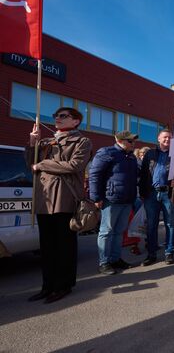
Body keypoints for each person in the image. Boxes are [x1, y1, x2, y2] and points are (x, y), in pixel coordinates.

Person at [26, 107, 92, 303]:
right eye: (56, 116)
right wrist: (32, 142)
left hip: (64, 198)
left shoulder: (82, 141)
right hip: (44, 199)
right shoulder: (46, 141)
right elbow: (31, 164)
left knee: (64, 245)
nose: (58, 119)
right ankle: (47, 286)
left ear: (76, 121)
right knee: (46, 247)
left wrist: (43, 165)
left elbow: (74, 166)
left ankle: (63, 285)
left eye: (63, 116)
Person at [88, 130, 139, 275]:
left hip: (127, 200)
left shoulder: (131, 157)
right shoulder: (107, 152)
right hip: (111, 199)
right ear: (120, 140)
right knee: (106, 231)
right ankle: (104, 263)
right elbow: (94, 175)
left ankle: (115, 259)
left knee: (119, 231)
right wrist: (96, 198)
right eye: (130, 141)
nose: (133, 144)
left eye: (133, 141)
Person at [138, 129, 174, 266]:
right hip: (151, 194)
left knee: (170, 224)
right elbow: (144, 174)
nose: (167, 140)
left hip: (169, 194)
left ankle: (169, 252)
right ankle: (151, 254)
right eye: (165, 137)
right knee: (151, 225)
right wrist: (143, 194)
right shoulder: (150, 154)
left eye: (170, 137)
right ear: (158, 138)